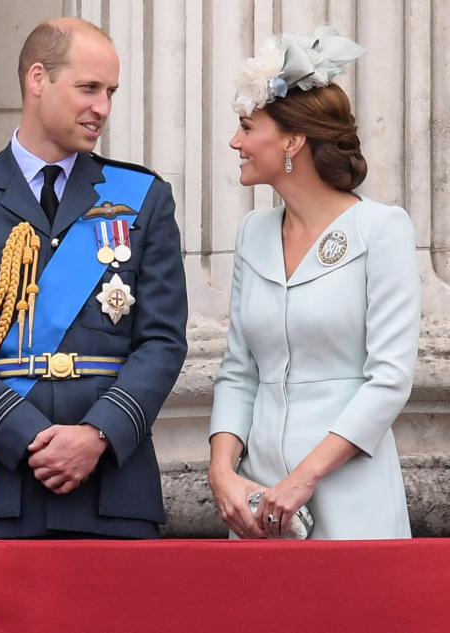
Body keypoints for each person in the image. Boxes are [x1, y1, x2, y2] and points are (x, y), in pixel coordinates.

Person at [0, 17, 188, 539]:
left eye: (110, 92)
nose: (102, 107)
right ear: (38, 79)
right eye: (89, 88)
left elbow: (163, 341)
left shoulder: (142, 197)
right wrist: (28, 436)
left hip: (111, 490)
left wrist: (97, 433)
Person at [208, 27, 418, 539]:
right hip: (259, 505)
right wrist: (223, 474)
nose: (235, 142)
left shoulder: (382, 228)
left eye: (246, 127)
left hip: (351, 500)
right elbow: (239, 372)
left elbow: (390, 378)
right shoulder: (252, 233)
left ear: (292, 140)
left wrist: (305, 477)